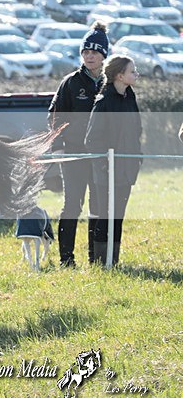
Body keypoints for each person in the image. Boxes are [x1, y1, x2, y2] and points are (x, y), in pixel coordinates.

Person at [48, 22, 109, 267]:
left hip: (100, 155)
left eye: (94, 52)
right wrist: (59, 146)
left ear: (104, 55)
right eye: (86, 52)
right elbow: (54, 116)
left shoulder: (109, 83)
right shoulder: (71, 82)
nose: (89, 56)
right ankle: (66, 259)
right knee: (72, 204)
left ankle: (95, 258)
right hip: (73, 153)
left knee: (98, 205)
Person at [84, 56, 142, 266]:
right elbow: (91, 139)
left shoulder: (130, 97)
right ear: (120, 75)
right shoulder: (103, 102)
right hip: (107, 172)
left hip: (126, 169)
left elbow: (136, 131)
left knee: (118, 216)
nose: (136, 75)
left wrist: (137, 157)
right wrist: (104, 165)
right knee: (106, 216)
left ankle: (113, 261)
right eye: (132, 71)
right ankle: (100, 262)